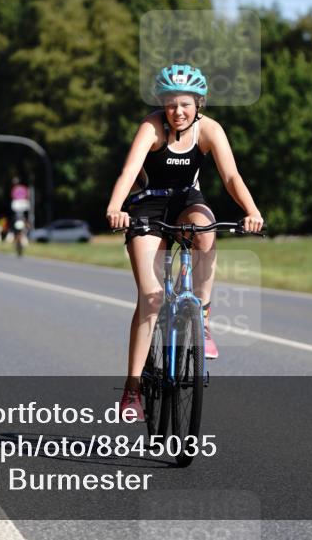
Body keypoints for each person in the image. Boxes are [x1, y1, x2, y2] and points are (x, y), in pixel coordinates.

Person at [105, 64, 264, 420]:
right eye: (171, 104)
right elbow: (129, 171)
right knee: (151, 297)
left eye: (186, 104)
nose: (178, 111)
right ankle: (132, 391)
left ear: (199, 103)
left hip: (187, 201)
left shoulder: (209, 130)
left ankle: (202, 315)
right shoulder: (152, 126)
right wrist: (116, 208)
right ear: (163, 104)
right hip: (148, 203)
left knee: (206, 229)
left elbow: (231, 176)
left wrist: (252, 211)